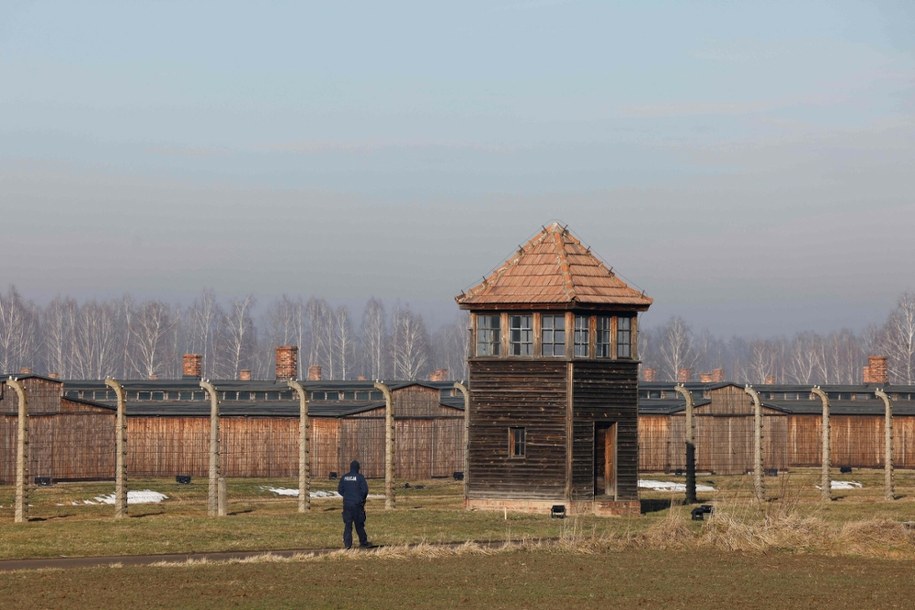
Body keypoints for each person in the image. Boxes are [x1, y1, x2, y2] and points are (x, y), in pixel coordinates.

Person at [337, 460, 372, 549]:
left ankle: (347, 544)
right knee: (359, 524)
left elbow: (340, 490)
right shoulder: (360, 477)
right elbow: (365, 490)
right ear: (358, 468)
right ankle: (363, 542)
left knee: (348, 525)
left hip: (347, 504)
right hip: (357, 505)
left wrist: (347, 496)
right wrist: (361, 499)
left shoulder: (344, 477)